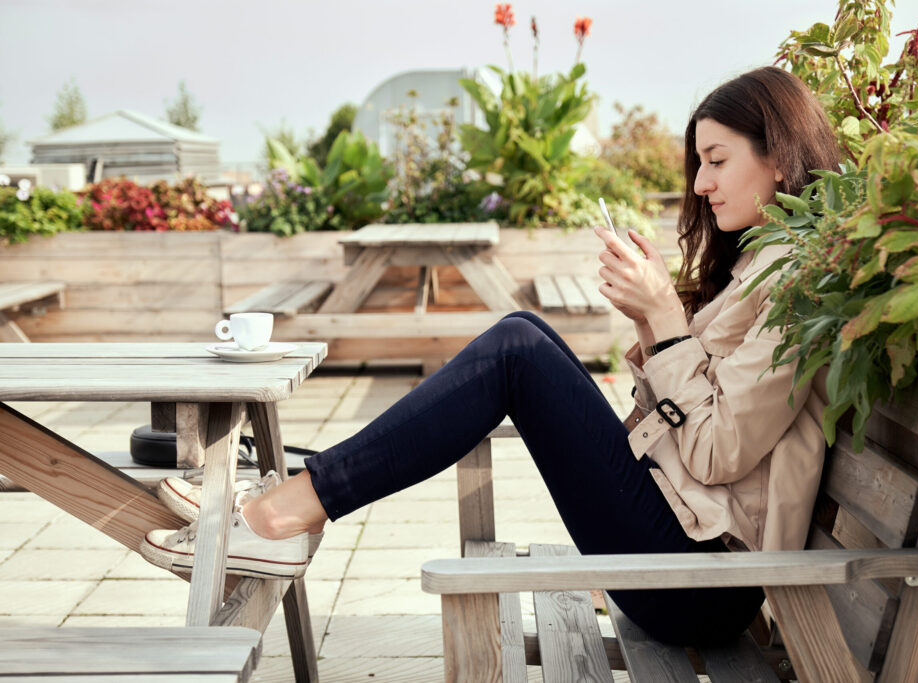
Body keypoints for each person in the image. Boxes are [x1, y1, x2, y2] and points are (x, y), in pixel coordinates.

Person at [140, 66, 841, 646]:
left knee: (517, 348)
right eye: (699, 164)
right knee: (521, 337)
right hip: (675, 537)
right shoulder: (764, 266)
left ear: (779, 156)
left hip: (699, 584)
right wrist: (654, 324)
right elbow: (701, 421)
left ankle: (281, 511)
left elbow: (720, 450)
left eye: (716, 161)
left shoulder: (796, 284)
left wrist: (663, 314)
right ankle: (290, 502)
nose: (699, 184)